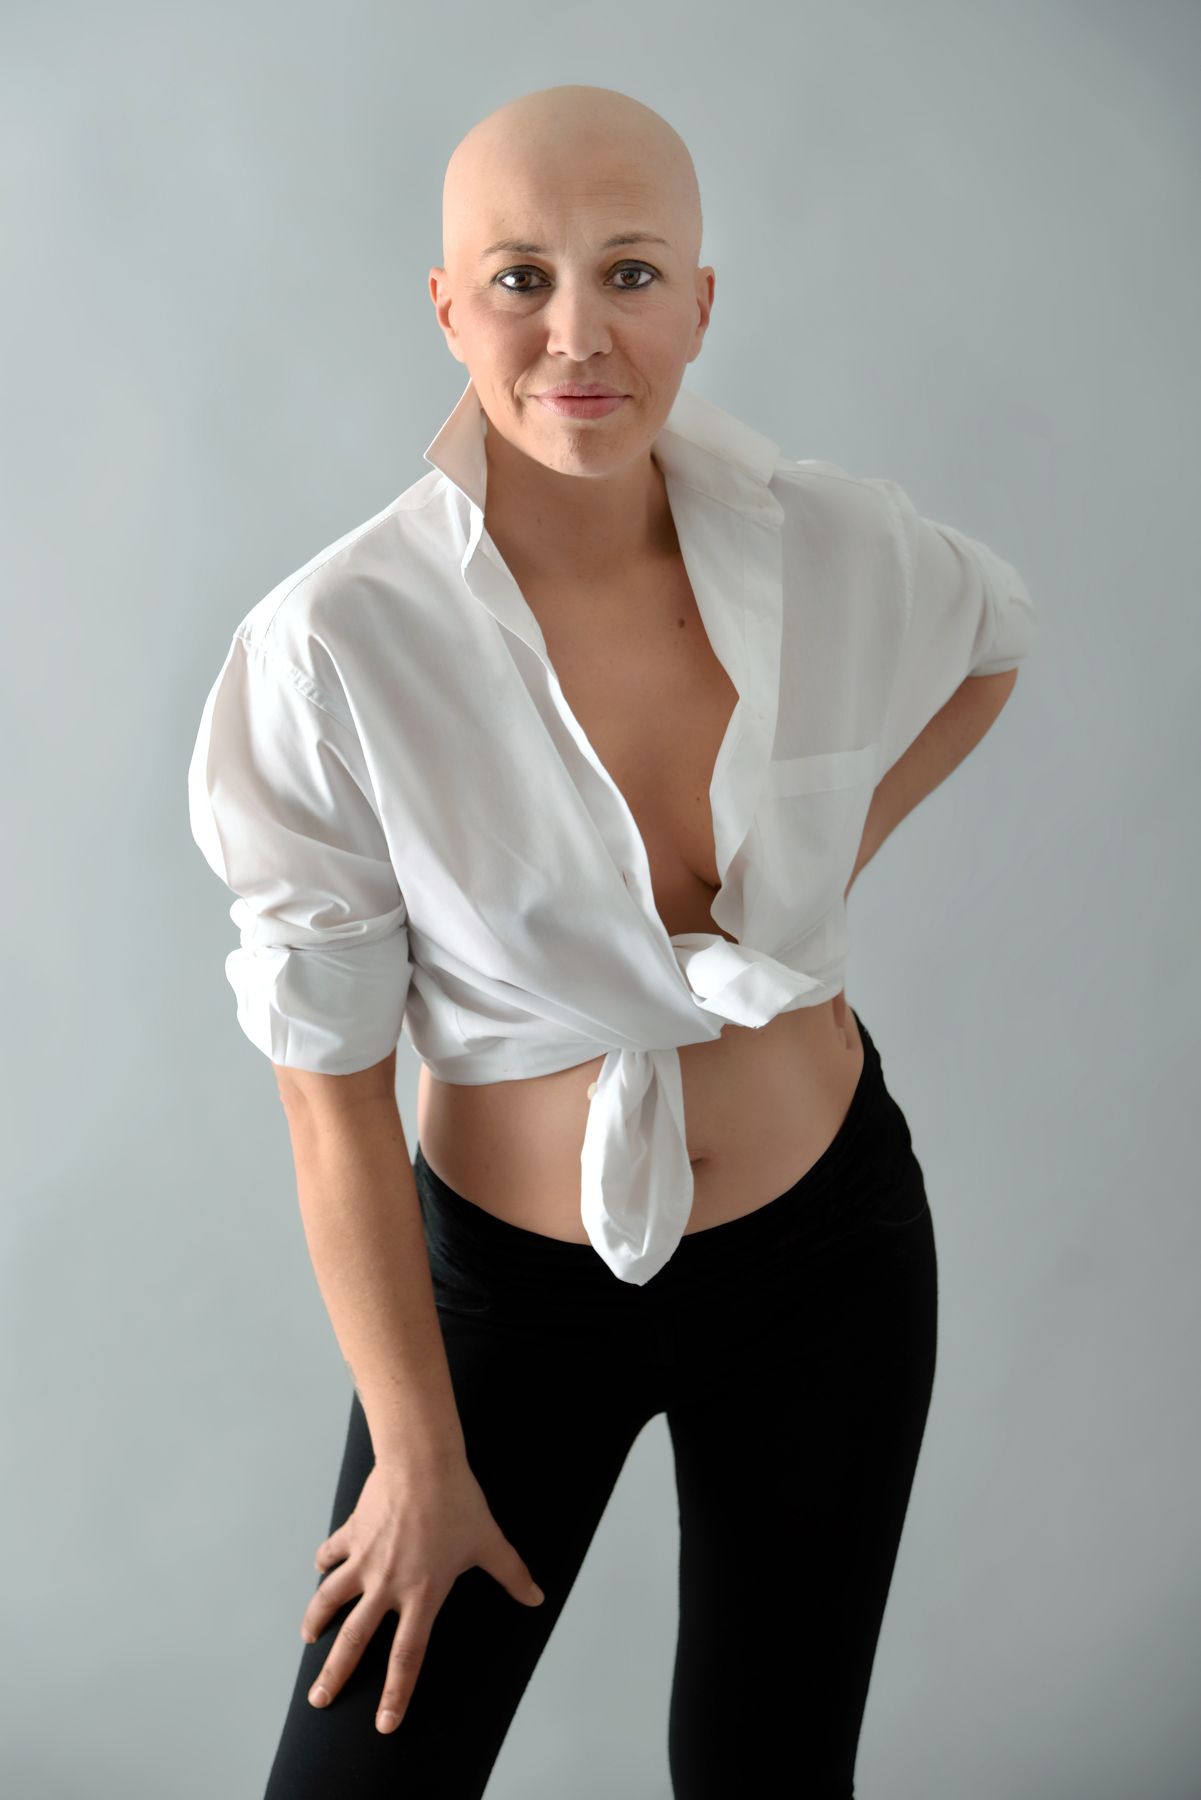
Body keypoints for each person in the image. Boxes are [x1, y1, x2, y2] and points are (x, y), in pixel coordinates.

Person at [187, 82, 1037, 1799]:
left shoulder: (824, 545)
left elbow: (988, 638)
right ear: (447, 306)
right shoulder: (334, 645)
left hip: (829, 1255)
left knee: (769, 1773)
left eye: (629, 273)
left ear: (699, 303)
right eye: (521, 278)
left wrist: (815, 880)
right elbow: (327, 1098)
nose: (577, 334)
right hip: (506, 1314)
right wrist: (417, 1452)